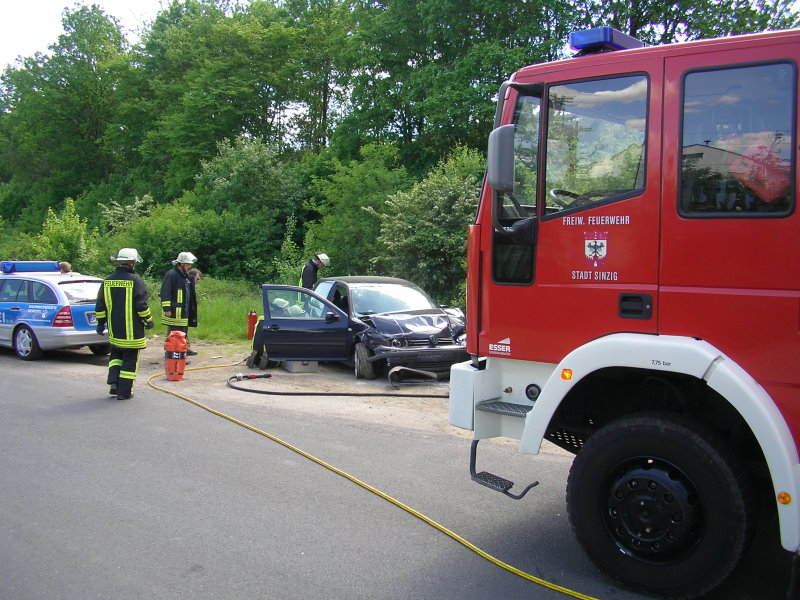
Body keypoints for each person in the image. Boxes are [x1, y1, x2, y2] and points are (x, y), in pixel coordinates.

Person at [95, 248, 154, 400]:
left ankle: (113, 382)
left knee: (116, 355)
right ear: (132, 263)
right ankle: (124, 392)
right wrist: (148, 320)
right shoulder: (135, 281)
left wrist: (101, 323)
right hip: (132, 331)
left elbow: (100, 305)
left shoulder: (107, 281)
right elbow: (141, 305)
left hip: (114, 330)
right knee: (130, 359)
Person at [160, 252, 199, 356]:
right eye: (188, 264)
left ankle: (181, 353)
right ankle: (173, 355)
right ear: (181, 264)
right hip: (174, 313)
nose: (190, 266)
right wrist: (167, 309)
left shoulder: (184, 276)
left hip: (182, 313)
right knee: (175, 335)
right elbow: (165, 292)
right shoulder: (171, 274)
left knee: (182, 334)